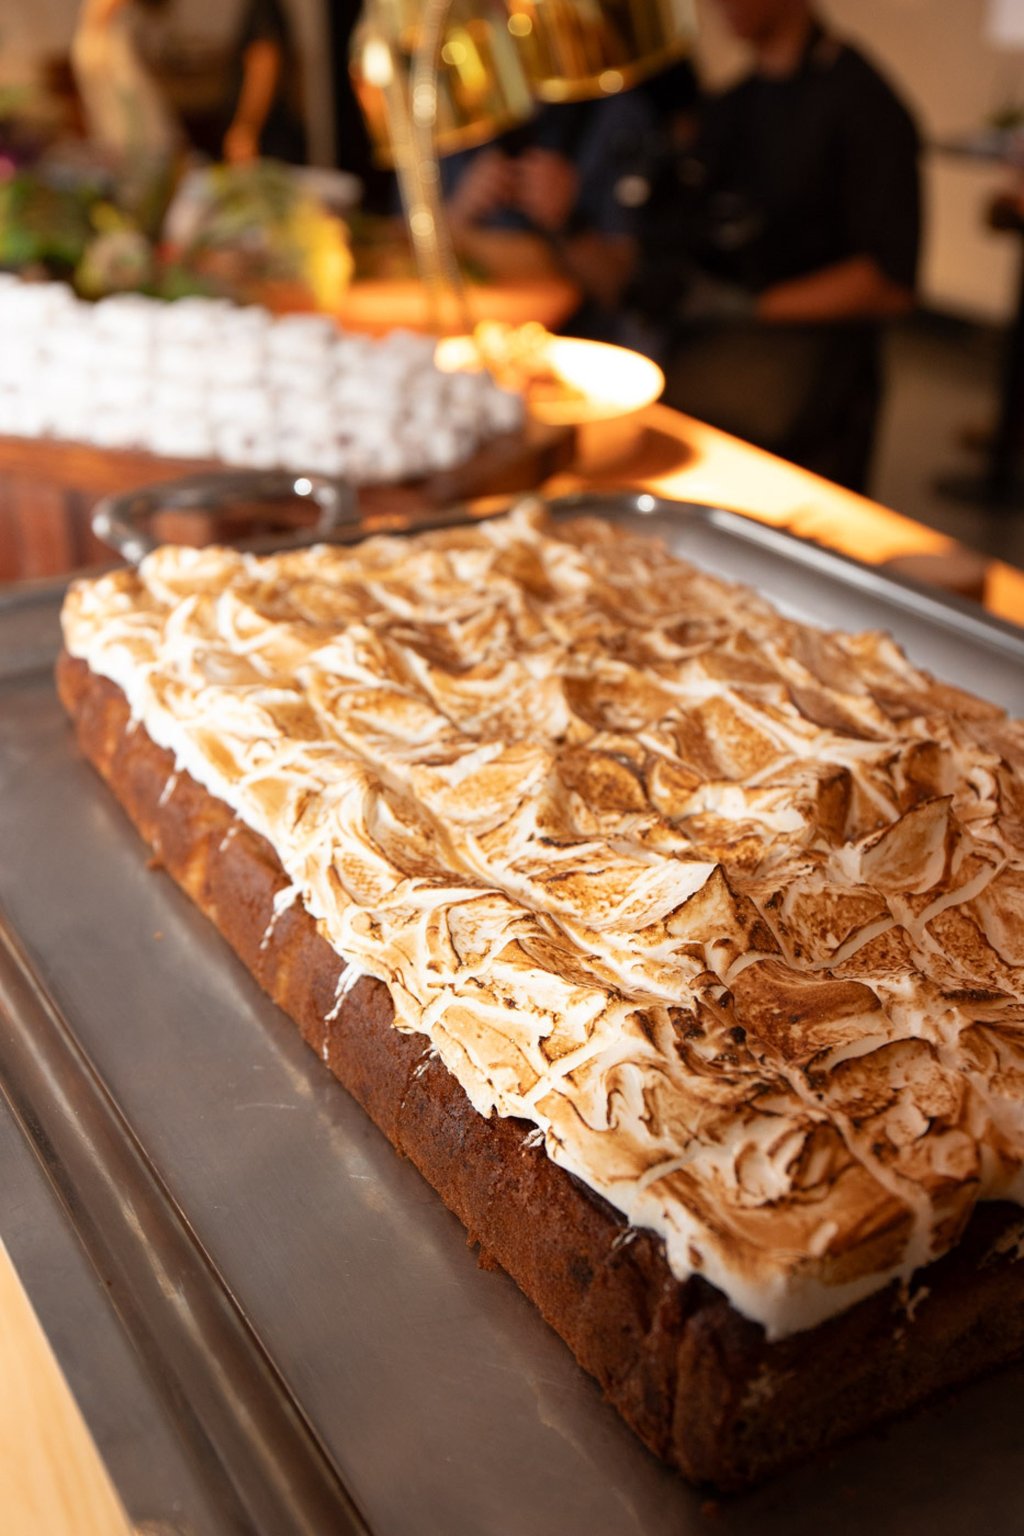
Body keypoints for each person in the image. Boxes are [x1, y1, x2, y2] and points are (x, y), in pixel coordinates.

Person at [628, 0, 921, 491]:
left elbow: (889, 282)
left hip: (810, 370)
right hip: (716, 347)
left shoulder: (862, 104)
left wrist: (752, 307)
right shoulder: (734, 103)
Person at [222, 0, 307, 166]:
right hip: (277, 138)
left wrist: (245, 130)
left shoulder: (263, 8)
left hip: (269, 143)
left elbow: (265, 62)